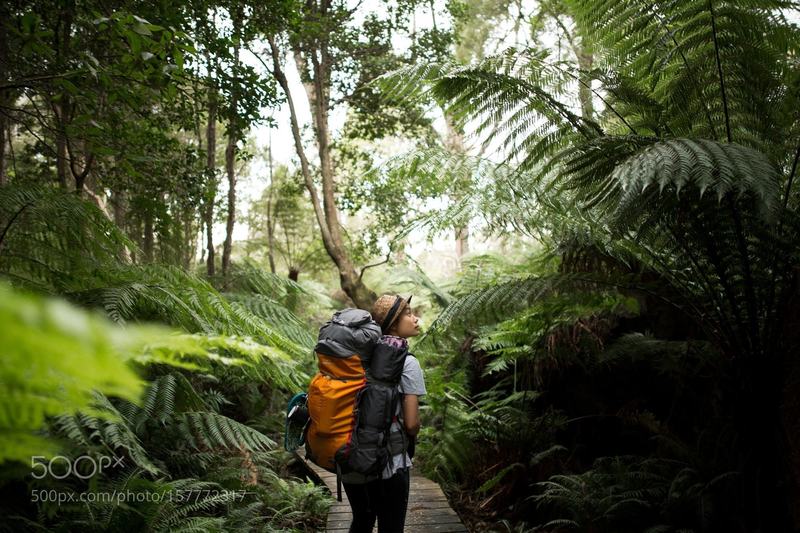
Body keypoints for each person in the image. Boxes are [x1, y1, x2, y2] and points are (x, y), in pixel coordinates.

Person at [342, 294, 426, 533]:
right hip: (390, 463)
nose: (415, 319)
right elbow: (411, 424)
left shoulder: (358, 357)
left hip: (352, 460)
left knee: (361, 521)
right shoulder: (407, 362)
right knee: (391, 527)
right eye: (408, 314)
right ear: (393, 323)